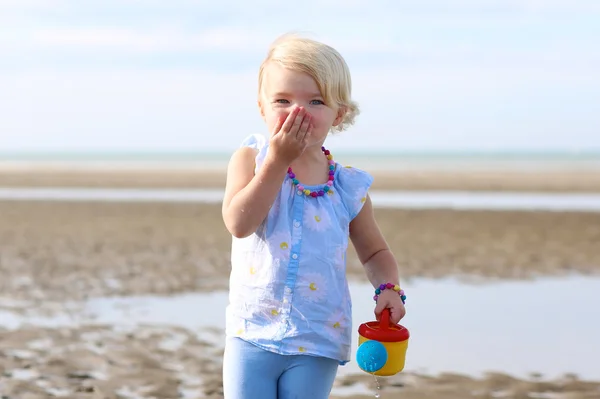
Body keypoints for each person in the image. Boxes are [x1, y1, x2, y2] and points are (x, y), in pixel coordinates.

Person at [221, 33, 407, 399]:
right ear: (262, 107)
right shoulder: (251, 159)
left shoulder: (346, 186)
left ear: (339, 113)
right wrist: (277, 161)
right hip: (252, 330)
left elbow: (374, 253)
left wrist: (389, 288)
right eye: (282, 100)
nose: (297, 112)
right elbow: (239, 224)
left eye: (315, 100)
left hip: (318, 337)